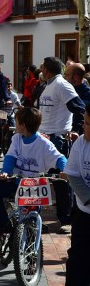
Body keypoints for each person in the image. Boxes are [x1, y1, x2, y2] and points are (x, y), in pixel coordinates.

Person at [0, 107, 67, 237]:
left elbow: (59, 158)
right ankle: (3, 225)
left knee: (31, 220)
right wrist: (5, 172)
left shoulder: (44, 144)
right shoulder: (16, 138)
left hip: (35, 184)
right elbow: (10, 157)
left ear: (23, 125)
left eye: (16, 122)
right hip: (16, 180)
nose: (15, 124)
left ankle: (29, 248)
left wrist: (65, 170)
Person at [38, 56, 86, 234]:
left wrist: (76, 130)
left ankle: (66, 220)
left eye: (43, 67)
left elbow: (79, 108)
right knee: (38, 179)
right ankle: (34, 220)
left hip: (57, 139)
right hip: (43, 138)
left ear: (48, 70)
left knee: (61, 182)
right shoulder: (47, 86)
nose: (41, 70)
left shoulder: (62, 85)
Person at [63, 104, 90, 286]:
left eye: (88, 124)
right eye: (85, 122)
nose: (84, 127)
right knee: (77, 263)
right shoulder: (81, 143)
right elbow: (72, 174)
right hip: (83, 214)